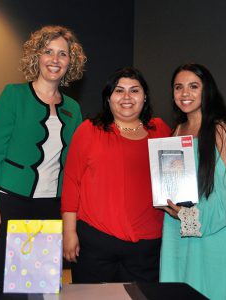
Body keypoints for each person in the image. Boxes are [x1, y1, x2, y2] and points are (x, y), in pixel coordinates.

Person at [0, 25, 86, 290]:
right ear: (36, 56)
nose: (55, 60)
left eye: (63, 54)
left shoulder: (73, 109)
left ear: (70, 62)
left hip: (49, 207)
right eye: (48, 51)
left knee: (38, 283)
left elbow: (74, 165)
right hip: (8, 202)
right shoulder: (12, 95)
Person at [61, 67, 171, 283]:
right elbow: (71, 183)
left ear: (145, 96)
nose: (127, 97)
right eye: (119, 91)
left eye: (134, 90)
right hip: (95, 242)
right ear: (108, 97)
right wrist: (69, 232)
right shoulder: (88, 130)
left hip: (147, 246)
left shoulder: (161, 130)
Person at [159, 63, 226, 299]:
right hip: (175, 232)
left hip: (211, 237)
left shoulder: (221, 130)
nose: (184, 93)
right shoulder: (177, 130)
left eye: (193, 86)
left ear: (207, 90)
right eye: (178, 87)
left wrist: (186, 216)